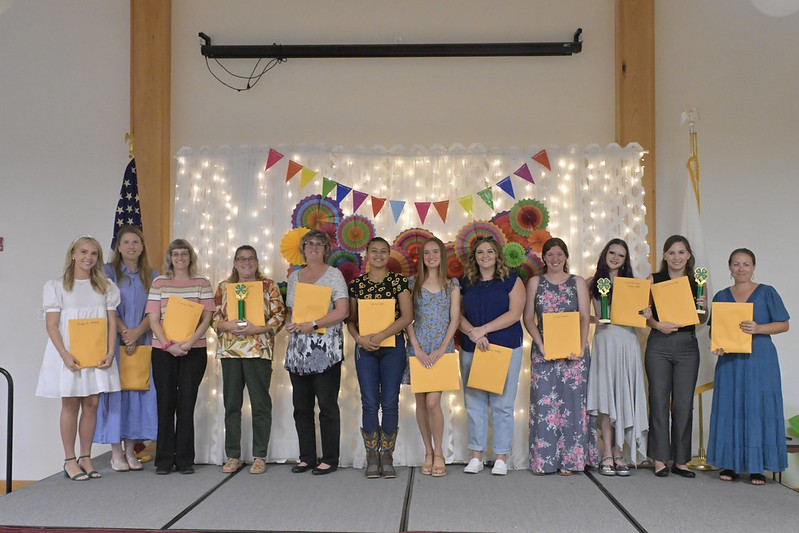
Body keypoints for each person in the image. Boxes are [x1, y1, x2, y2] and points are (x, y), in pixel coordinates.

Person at [36, 235, 120, 481]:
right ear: (73, 253)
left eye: (94, 254)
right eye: (84, 252)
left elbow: (111, 323)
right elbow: (52, 325)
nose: (88, 257)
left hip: (97, 353)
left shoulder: (106, 287)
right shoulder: (56, 286)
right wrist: (64, 354)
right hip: (69, 354)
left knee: (92, 403)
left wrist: (110, 352)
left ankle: (86, 456)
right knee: (71, 404)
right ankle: (69, 459)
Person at [707, 248, 790, 485]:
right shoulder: (721, 296)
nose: (741, 269)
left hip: (760, 360)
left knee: (757, 408)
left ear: (754, 267)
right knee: (730, 407)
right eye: (736, 264)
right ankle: (730, 464)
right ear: (730, 268)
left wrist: (759, 328)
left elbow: (784, 325)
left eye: (746, 264)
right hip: (730, 361)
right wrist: (718, 345)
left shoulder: (767, 292)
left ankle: (757, 468)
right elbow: (715, 331)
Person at [525, 237, 597, 475]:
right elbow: (528, 319)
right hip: (544, 353)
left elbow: (585, 317)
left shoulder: (577, 282)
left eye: (559, 254)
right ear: (543, 258)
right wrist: (540, 344)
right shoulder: (535, 282)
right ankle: (544, 461)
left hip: (574, 353)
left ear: (566, 257)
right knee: (544, 406)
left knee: (572, 406)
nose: (555, 259)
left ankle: (571, 461)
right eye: (550, 255)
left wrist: (579, 345)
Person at [213, 245, 286, 475]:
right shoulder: (224, 287)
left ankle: (259, 456)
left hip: (259, 350)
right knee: (232, 404)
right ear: (235, 262)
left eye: (251, 259)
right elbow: (214, 317)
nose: (247, 263)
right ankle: (233, 455)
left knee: (260, 404)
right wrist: (227, 325)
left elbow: (279, 316)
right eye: (242, 259)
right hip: (231, 352)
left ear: (257, 261)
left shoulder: (269, 286)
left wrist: (259, 328)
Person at [146, 239, 214, 475]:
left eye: (184, 254)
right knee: (165, 404)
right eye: (176, 254)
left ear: (191, 257)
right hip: (163, 351)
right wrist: (168, 345)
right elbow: (154, 319)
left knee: (186, 404)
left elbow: (207, 318)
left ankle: (185, 460)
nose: (180, 258)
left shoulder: (202, 283)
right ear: (170, 258)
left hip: (193, 351)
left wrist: (189, 343)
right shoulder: (159, 282)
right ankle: (163, 460)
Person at [459, 236, 525, 476]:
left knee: (503, 404)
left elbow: (515, 313)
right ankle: (476, 455)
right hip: (472, 347)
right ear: (474, 257)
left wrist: (483, 330)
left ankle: (501, 456)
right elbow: (456, 313)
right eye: (479, 252)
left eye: (489, 252)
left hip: (504, 348)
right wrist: (473, 334)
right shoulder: (465, 282)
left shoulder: (512, 280)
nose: (484, 256)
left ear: (498, 255)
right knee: (474, 403)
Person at [284, 230, 349, 476]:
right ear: (303, 248)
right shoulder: (295, 277)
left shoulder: (334, 275)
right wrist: (290, 322)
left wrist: (314, 323)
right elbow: (291, 311)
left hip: (326, 350)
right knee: (301, 406)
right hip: (298, 350)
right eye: (309, 244)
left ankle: (330, 458)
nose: (313, 247)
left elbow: (342, 311)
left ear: (325, 249)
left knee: (327, 405)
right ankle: (307, 457)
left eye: (318, 244)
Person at [348, 237, 413, 479]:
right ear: (366, 254)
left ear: (389, 254)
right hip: (365, 348)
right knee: (369, 402)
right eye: (373, 251)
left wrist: (382, 335)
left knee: (389, 402)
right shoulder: (357, 285)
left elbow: (407, 316)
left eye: (383, 251)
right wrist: (359, 338)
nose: (378, 255)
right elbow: (351, 320)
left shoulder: (398, 282)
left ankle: (387, 456)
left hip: (392, 346)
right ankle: (371, 456)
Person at [94, 225, 158, 472]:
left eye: (136, 242)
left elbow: (155, 308)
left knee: (137, 395)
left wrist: (138, 332)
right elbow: (105, 306)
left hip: (142, 341)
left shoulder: (151, 275)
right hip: (114, 342)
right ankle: (116, 453)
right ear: (118, 247)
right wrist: (124, 331)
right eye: (126, 242)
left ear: (142, 247)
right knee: (116, 396)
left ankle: (131, 450)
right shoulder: (107, 272)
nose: (131, 246)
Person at [644, 234, 707, 478]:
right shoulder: (653, 279)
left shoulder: (697, 281)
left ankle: (681, 460)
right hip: (659, 344)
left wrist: (703, 305)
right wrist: (655, 323)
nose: (676, 257)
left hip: (687, 347)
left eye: (681, 252)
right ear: (664, 256)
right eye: (671, 252)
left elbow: (702, 319)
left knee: (683, 404)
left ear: (689, 255)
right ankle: (660, 458)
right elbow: (643, 314)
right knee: (659, 401)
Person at [586, 238, 648, 476]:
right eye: (612, 253)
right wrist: (593, 320)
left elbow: (641, 317)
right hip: (604, 342)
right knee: (606, 398)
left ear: (625, 261)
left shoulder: (634, 285)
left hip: (627, 342)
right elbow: (583, 315)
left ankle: (620, 452)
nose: (615, 258)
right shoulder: (591, 283)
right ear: (604, 254)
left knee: (623, 396)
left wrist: (647, 312)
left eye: (621, 255)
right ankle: (607, 454)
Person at [406, 237, 460, 478]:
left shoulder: (452, 285)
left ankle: (440, 451)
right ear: (422, 257)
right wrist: (415, 346)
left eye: (435, 251)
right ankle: (427, 451)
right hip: (418, 349)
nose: (431, 256)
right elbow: (407, 318)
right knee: (420, 402)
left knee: (433, 402)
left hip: (441, 350)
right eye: (426, 252)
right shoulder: (412, 284)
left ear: (442, 255)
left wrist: (443, 348)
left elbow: (455, 318)